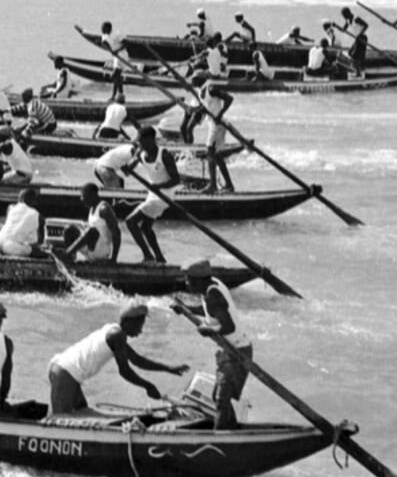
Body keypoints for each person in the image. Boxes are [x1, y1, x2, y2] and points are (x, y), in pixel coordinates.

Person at [45, 301, 188, 415]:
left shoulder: (114, 331)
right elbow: (124, 371)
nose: (140, 331)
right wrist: (148, 386)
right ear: (130, 322)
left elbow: (137, 360)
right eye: (140, 325)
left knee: (82, 412)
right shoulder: (117, 335)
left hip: (69, 373)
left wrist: (168, 368)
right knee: (61, 421)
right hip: (66, 373)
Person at [173, 261, 251, 429]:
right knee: (219, 396)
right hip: (231, 349)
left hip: (236, 352)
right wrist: (186, 309)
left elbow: (229, 326)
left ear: (199, 280)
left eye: (189, 280)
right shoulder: (211, 286)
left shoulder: (212, 295)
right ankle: (231, 429)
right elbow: (210, 310)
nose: (186, 284)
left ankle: (220, 436)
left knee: (221, 399)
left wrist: (209, 331)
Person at [121, 125, 180, 262]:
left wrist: (159, 186)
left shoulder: (164, 155)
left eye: (141, 141)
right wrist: (127, 168)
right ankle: (159, 257)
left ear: (151, 140)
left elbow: (176, 179)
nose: (139, 144)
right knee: (145, 227)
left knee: (130, 221)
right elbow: (129, 169)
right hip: (153, 194)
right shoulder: (141, 153)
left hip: (165, 195)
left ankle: (148, 255)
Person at [55, 181, 123, 262]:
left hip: (102, 251)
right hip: (90, 249)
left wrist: (113, 258)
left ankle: (66, 254)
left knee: (92, 231)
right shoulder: (91, 209)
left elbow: (117, 232)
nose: (81, 199)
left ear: (92, 195)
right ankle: (70, 260)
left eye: (84, 196)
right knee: (69, 230)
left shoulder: (104, 209)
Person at [201, 81, 236, 193]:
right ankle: (229, 185)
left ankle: (213, 185)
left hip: (217, 124)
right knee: (218, 155)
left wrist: (220, 114)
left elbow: (229, 98)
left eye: (194, 78)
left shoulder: (211, 89)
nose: (192, 79)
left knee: (210, 152)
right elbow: (206, 107)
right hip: (212, 124)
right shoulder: (200, 91)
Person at [0, 187, 46, 256]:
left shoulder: (11, 208)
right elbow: (35, 242)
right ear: (33, 201)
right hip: (10, 247)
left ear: (20, 199)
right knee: (36, 252)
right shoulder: (36, 215)